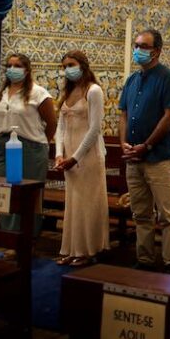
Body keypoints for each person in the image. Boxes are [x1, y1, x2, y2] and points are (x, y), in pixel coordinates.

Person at [118, 29, 170, 273]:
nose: (138, 50)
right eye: (136, 45)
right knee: (141, 213)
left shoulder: (168, 77)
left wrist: (147, 145)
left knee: (167, 215)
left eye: (143, 46)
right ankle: (144, 258)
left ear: (156, 51)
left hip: (159, 157)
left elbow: (169, 116)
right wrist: (124, 143)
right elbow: (124, 114)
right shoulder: (132, 80)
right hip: (133, 158)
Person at [0, 53, 57, 236]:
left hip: (29, 147)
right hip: (3, 146)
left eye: (17, 66)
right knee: (5, 191)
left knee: (27, 194)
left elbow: (52, 123)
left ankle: (27, 237)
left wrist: (41, 142)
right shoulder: (0, 93)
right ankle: (8, 235)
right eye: (9, 66)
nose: (12, 69)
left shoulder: (38, 93)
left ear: (27, 70)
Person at [53, 50, 108, 266]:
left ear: (82, 65)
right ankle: (72, 248)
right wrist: (59, 153)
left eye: (71, 65)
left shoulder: (93, 91)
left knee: (88, 203)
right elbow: (60, 126)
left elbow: (94, 129)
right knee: (73, 203)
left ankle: (88, 250)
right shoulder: (68, 91)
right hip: (69, 154)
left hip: (88, 155)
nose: (67, 69)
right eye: (64, 66)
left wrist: (75, 157)